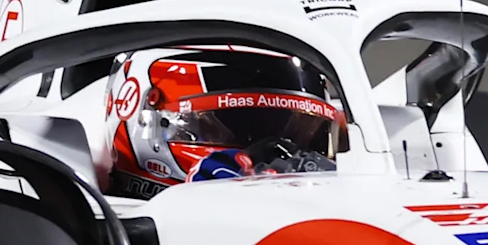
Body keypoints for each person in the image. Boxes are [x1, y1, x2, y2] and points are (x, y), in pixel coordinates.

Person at [103, 46, 350, 195]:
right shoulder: (86, 233)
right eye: (244, 130)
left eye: (297, 135)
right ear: (148, 123)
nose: (285, 157)